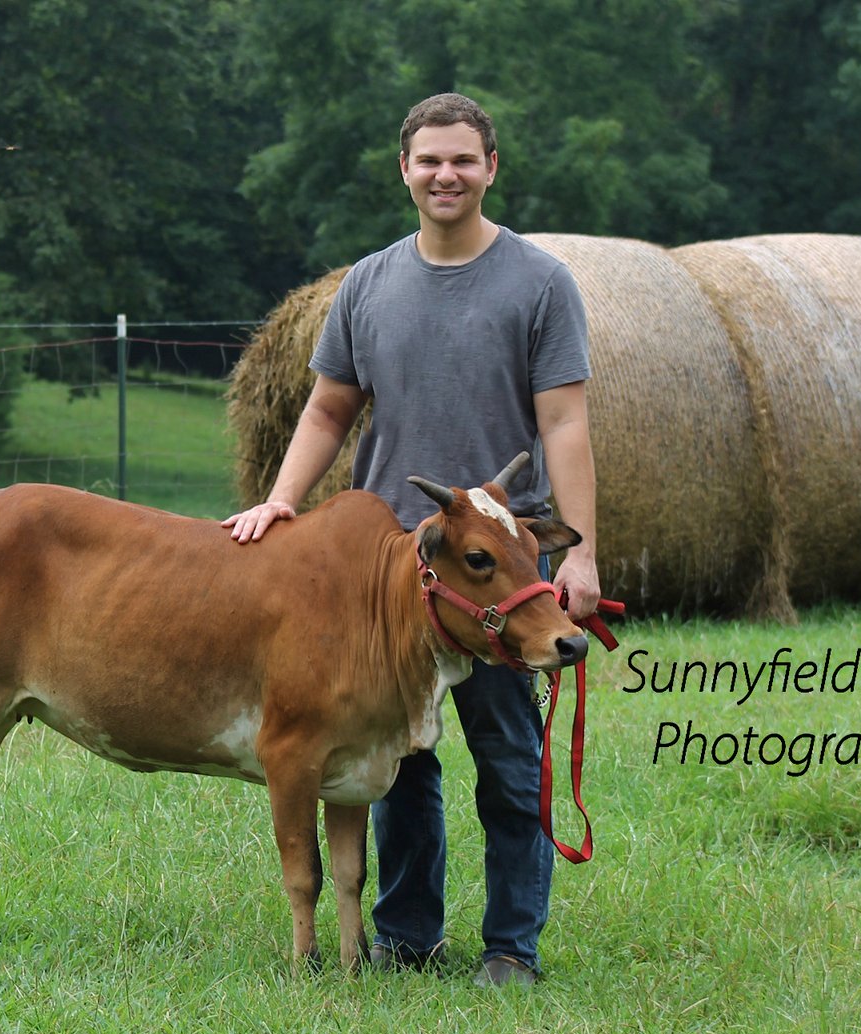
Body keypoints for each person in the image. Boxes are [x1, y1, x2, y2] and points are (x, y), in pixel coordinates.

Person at [223, 92, 600, 987]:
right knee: (395, 765)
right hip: (392, 568)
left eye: (463, 160)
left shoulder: (541, 284)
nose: (446, 175)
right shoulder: (368, 284)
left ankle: (512, 947)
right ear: (404, 169)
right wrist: (280, 500)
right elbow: (327, 407)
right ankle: (406, 937)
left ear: (491, 168)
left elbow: (567, 424)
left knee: (509, 762)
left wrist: (578, 552)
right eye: (429, 160)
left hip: (499, 571)